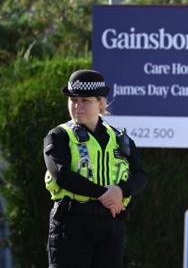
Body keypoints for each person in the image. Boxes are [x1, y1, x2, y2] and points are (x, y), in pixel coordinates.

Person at [43, 69, 147, 268]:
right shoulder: (58, 136)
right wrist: (105, 195)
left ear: (100, 103)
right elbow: (61, 174)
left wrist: (121, 191)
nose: (77, 106)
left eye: (85, 100)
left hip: (111, 225)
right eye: (73, 100)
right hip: (71, 223)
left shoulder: (120, 139)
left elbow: (141, 175)